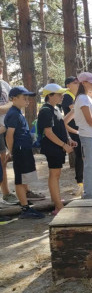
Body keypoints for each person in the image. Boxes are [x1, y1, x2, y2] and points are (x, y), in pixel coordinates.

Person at [5, 86, 45, 218]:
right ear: (14, 99)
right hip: (19, 150)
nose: (27, 101)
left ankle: (26, 201)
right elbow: (9, 135)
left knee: (24, 178)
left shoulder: (17, 113)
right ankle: (25, 209)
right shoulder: (13, 114)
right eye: (24, 98)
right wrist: (11, 152)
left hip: (24, 149)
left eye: (28, 98)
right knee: (20, 180)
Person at [37, 84, 77, 215]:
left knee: (56, 175)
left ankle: (57, 200)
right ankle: (58, 206)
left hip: (57, 147)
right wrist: (63, 145)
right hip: (52, 148)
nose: (62, 96)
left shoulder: (55, 109)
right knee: (54, 175)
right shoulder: (45, 111)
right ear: (50, 96)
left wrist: (69, 140)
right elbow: (48, 133)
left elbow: (61, 126)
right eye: (59, 94)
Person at [61, 76, 84, 195]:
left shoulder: (76, 96)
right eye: (75, 83)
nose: (77, 84)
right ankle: (80, 182)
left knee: (82, 155)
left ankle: (82, 181)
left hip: (79, 130)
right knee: (79, 156)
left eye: (78, 82)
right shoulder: (67, 96)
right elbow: (75, 111)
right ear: (68, 85)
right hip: (73, 131)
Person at [0, 60, 19, 205]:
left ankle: (6, 192)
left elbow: (15, 102)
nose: (0, 69)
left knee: (4, 161)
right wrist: (9, 104)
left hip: (6, 128)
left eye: (0, 66)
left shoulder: (5, 84)